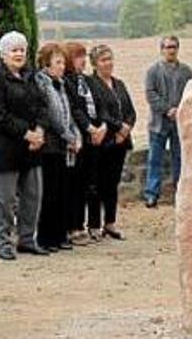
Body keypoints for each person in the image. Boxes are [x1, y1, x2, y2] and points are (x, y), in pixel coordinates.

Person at [0, 31, 49, 260]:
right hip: (6, 149)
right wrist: (26, 133)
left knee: (33, 195)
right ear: (3, 54)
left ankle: (27, 239)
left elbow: (42, 106)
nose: (19, 54)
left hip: (32, 148)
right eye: (14, 50)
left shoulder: (30, 76)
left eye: (22, 49)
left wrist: (39, 130)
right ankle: (2, 243)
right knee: (5, 199)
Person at [35, 43, 81, 252]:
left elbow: (68, 114)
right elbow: (54, 117)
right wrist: (70, 136)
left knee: (63, 191)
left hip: (63, 146)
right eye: (58, 62)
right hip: (49, 146)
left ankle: (60, 234)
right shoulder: (42, 84)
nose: (62, 66)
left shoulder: (60, 85)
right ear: (46, 64)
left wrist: (75, 136)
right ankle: (47, 237)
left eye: (63, 62)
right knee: (50, 193)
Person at [87, 45, 136, 240]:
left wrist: (126, 128)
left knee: (112, 184)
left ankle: (110, 222)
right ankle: (94, 224)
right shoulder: (92, 84)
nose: (108, 63)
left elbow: (131, 111)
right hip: (103, 142)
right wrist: (118, 127)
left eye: (110, 59)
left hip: (120, 142)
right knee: (96, 184)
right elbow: (100, 113)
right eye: (103, 60)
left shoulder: (119, 84)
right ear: (95, 64)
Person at [143, 35, 192, 208]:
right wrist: (167, 109)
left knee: (180, 159)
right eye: (167, 47)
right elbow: (150, 94)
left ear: (178, 49)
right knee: (154, 160)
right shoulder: (153, 71)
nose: (170, 50)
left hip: (180, 123)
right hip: (158, 123)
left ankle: (181, 192)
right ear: (161, 49)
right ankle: (152, 194)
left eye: (173, 47)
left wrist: (180, 110)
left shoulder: (187, 71)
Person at [63, 42, 106, 244]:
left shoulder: (89, 81)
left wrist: (103, 126)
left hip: (95, 139)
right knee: (76, 185)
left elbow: (101, 103)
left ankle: (93, 225)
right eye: (78, 56)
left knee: (93, 183)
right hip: (79, 138)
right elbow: (75, 110)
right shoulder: (67, 82)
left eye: (83, 56)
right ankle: (74, 226)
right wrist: (90, 128)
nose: (83, 60)